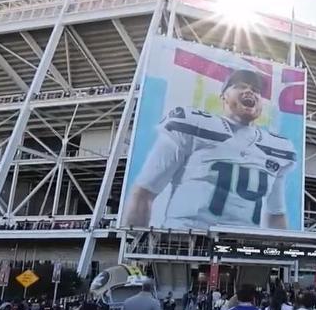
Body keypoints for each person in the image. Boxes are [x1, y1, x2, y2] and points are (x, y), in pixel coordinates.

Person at [123, 67, 297, 230]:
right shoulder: (192, 124)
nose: (250, 91)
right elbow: (145, 192)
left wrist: (278, 255)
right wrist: (138, 249)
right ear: (224, 96)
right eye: (241, 86)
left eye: (256, 90)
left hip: (243, 248)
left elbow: (276, 214)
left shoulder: (278, 148)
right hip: (184, 240)